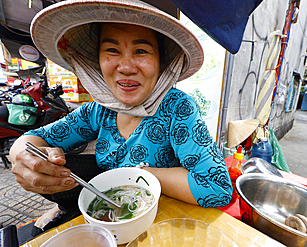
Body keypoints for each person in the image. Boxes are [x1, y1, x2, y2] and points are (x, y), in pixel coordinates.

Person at [9, 0, 232, 236]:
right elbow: (33, 138)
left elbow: (216, 188)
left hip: (162, 228)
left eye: (142, 51)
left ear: (161, 61)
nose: (125, 67)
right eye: (112, 50)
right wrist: (24, 158)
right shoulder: (100, 109)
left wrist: (140, 175)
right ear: (98, 59)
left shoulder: (177, 107)